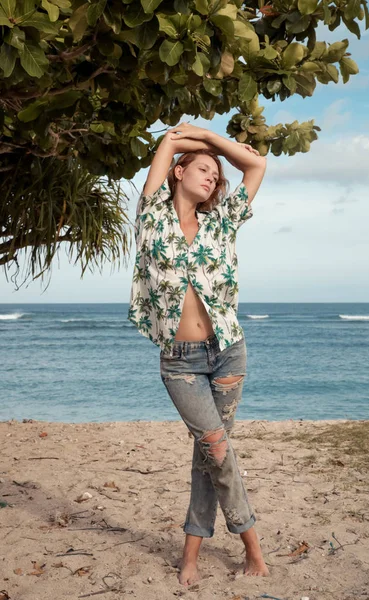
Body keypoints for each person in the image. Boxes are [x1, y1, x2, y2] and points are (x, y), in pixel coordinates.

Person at [128, 122, 268, 586]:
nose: (212, 176)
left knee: (210, 457)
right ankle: (252, 546)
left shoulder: (222, 220)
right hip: (181, 361)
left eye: (215, 174)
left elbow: (256, 164)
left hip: (227, 351)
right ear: (177, 172)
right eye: (203, 169)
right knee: (218, 453)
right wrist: (193, 141)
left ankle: (191, 554)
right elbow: (167, 142)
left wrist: (213, 140)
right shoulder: (151, 217)